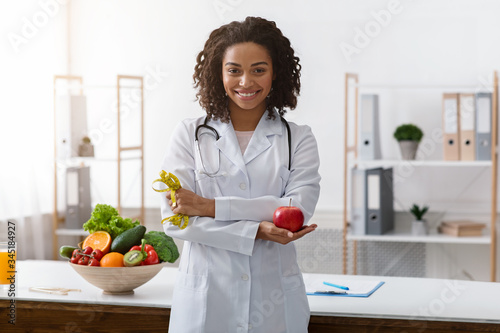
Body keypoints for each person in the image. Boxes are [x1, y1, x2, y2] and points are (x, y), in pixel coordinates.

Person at [159, 16, 321, 333]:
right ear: (218, 73)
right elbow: (174, 219)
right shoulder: (188, 134)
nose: (246, 82)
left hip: (274, 304)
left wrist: (208, 207)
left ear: (276, 73)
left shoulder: (298, 138)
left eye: (258, 70)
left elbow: (295, 210)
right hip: (206, 302)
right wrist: (256, 230)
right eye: (234, 70)